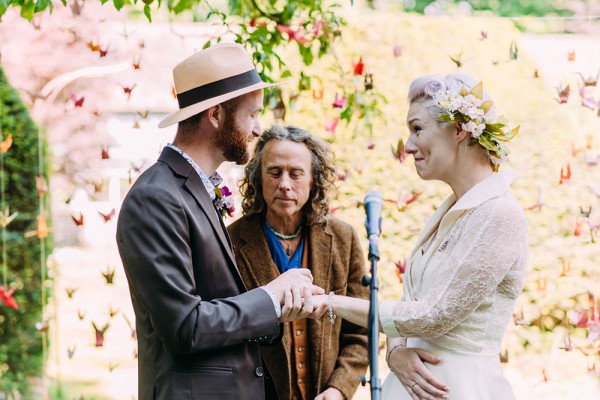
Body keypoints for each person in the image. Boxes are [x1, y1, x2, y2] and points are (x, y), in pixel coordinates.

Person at [116, 43, 324, 400]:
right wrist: (270, 297)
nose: (259, 129)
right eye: (252, 115)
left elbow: (216, 299)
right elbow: (185, 327)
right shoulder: (156, 198)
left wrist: (281, 311)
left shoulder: (194, 188)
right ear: (216, 115)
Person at [311, 73, 528, 400]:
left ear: (458, 130)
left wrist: (328, 302)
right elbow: (409, 305)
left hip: (461, 389)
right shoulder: (451, 210)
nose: (408, 145)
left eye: (417, 129)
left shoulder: (499, 213)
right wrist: (395, 351)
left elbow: (434, 315)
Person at [227, 125, 369, 400]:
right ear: (257, 177)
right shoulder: (231, 242)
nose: (284, 184)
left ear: (314, 179)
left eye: (296, 174)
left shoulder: (343, 238)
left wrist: (339, 389)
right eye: (274, 172)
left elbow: (361, 331)